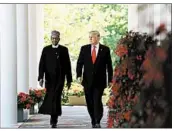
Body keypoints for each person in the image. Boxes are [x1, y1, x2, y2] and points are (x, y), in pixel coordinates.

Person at [76, 30, 113, 128]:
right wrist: (79, 75)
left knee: (97, 100)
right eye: (89, 37)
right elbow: (79, 63)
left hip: (99, 81)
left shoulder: (105, 49)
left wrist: (110, 79)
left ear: (98, 37)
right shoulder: (84, 49)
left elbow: (109, 66)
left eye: (91, 37)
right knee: (90, 101)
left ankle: (98, 120)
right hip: (87, 81)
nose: (90, 38)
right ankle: (93, 118)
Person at [38, 30, 72, 128]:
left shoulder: (64, 50)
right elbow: (42, 65)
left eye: (56, 38)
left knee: (56, 98)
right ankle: (52, 116)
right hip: (49, 79)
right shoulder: (46, 50)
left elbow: (67, 65)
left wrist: (69, 80)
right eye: (52, 38)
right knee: (51, 97)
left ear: (59, 39)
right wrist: (40, 77)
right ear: (50, 39)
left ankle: (54, 120)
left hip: (60, 79)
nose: (54, 40)